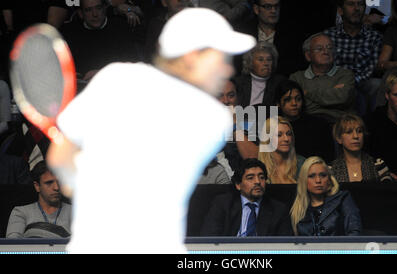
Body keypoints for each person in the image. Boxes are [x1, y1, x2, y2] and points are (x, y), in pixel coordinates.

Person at [46, 8, 256, 253]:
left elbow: (59, 155)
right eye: (221, 58)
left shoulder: (115, 78)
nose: (228, 69)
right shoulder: (212, 116)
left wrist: (77, 179)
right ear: (190, 56)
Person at [200, 158, 292, 236]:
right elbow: (209, 238)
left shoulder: (278, 210)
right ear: (238, 185)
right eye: (250, 178)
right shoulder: (223, 205)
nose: (258, 182)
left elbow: (284, 246)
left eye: (261, 177)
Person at [324, 0, 383, 117]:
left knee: (377, 84)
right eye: (351, 4)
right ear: (340, 10)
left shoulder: (374, 37)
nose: (356, 8)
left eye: (360, 4)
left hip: (363, 82)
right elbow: (324, 67)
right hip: (334, 82)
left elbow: (370, 70)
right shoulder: (328, 36)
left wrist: (349, 83)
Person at [60, 0, 139, 82]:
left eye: (98, 8)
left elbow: (133, 66)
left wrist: (103, 74)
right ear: (81, 14)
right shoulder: (70, 33)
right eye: (88, 10)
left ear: (104, 9)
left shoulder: (120, 28)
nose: (95, 14)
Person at [289, 32, 356, 124]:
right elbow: (296, 106)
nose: (326, 52)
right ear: (308, 56)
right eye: (319, 49)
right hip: (307, 123)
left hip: (339, 124)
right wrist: (332, 98)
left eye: (329, 48)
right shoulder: (296, 78)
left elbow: (342, 98)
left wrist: (307, 93)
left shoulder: (346, 75)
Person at [290, 156, 362, 236]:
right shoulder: (298, 209)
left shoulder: (342, 199)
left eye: (323, 175)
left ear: (329, 179)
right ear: (304, 180)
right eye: (312, 176)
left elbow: (354, 233)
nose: (318, 180)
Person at [6, 161, 71, 238]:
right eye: (49, 183)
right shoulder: (20, 212)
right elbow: (12, 245)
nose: (56, 187)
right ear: (37, 186)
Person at [275, 79, 335, 163]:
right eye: (288, 100)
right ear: (278, 103)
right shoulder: (273, 126)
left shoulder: (319, 125)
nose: (294, 103)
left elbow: (328, 158)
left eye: (298, 99)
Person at [331, 113, 395, 183]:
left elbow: (386, 191)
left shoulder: (378, 165)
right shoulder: (331, 169)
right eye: (349, 132)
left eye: (359, 131)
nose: (356, 136)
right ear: (339, 138)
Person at [235, 41, 286, 107]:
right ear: (250, 62)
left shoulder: (280, 82)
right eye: (261, 59)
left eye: (269, 59)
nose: (266, 63)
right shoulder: (238, 83)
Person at [258, 116, 305, 184]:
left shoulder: (302, 164)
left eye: (289, 134)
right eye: (279, 135)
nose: (286, 139)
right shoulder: (258, 168)